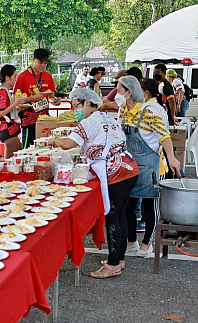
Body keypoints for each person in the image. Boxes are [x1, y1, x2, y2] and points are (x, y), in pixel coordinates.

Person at [48, 89, 138, 278]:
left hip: (115, 172)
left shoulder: (88, 122)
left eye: (77, 106)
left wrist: (53, 140)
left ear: (87, 103)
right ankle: (119, 259)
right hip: (129, 167)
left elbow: (67, 144)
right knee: (120, 214)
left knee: (113, 216)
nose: (76, 110)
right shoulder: (109, 119)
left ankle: (113, 264)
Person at [118, 76, 181, 258]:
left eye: (119, 90)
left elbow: (164, 136)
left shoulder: (149, 112)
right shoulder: (123, 112)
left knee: (149, 206)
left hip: (152, 167)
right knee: (128, 206)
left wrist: (172, 158)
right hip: (130, 167)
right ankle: (131, 242)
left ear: (129, 92)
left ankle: (147, 243)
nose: (117, 94)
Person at [14, 48, 61, 148]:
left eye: (45, 63)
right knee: (28, 149)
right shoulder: (22, 76)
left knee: (45, 148)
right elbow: (16, 99)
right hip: (28, 120)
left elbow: (51, 96)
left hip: (44, 119)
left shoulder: (48, 76)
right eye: (40, 62)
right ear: (33, 59)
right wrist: (32, 98)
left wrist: (55, 101)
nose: (43, 66)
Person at [0, 64, 26, 158]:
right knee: (12, 158)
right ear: (7, 77)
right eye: (15, 76)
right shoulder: (2, 92)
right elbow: (0, 113)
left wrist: (17, 107)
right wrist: (16, 103)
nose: (16, 79)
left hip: (10, 129)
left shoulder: (5, 91)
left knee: (17, 153)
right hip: (6, 128)